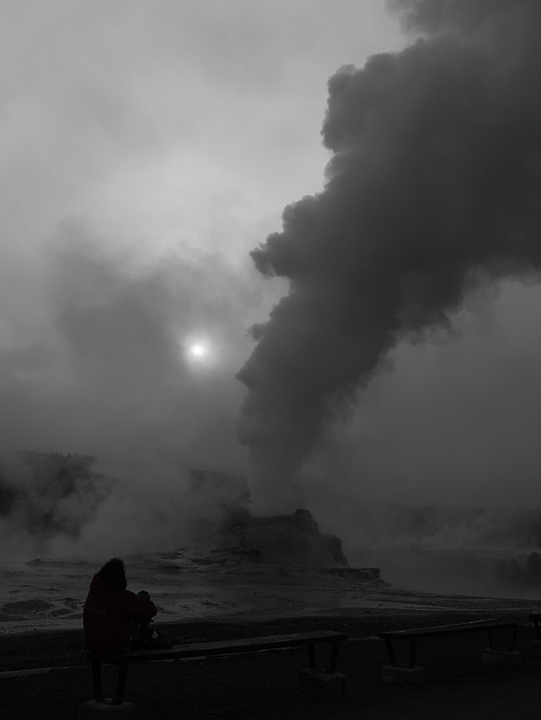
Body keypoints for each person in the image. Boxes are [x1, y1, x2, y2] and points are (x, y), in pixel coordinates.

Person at [83, 557, 172, 654]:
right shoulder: (120, 596)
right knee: (144, 596)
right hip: (113, 647)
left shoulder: (93, 592)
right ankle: (154, 636)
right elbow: (151, 610)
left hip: (93, 646)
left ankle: (151, 637)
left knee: (134, 610)